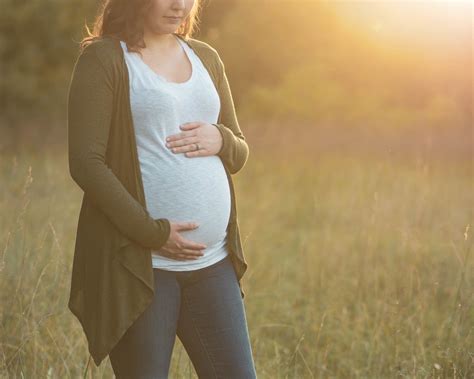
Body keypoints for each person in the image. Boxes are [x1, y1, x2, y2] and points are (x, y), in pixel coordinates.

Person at [67, 0, 256, 377]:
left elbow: (238, 149)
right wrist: (152, 233)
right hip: (143, 266)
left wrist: (221, 139)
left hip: (213, 263)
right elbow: (86, 163)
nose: (180, 5)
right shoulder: (105, 59)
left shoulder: (206, 57)